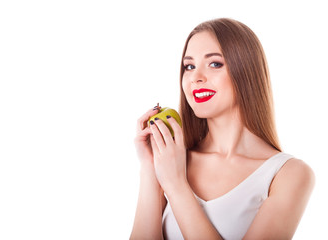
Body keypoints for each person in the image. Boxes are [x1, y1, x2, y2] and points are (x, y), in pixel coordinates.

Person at [130, 18, 315, 240]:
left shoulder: (288, 174)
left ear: (246, 72)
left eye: (215, 64)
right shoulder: (171, 160)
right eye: (189, 66)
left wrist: (177, 186)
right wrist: (151, 169)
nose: (195, 78)